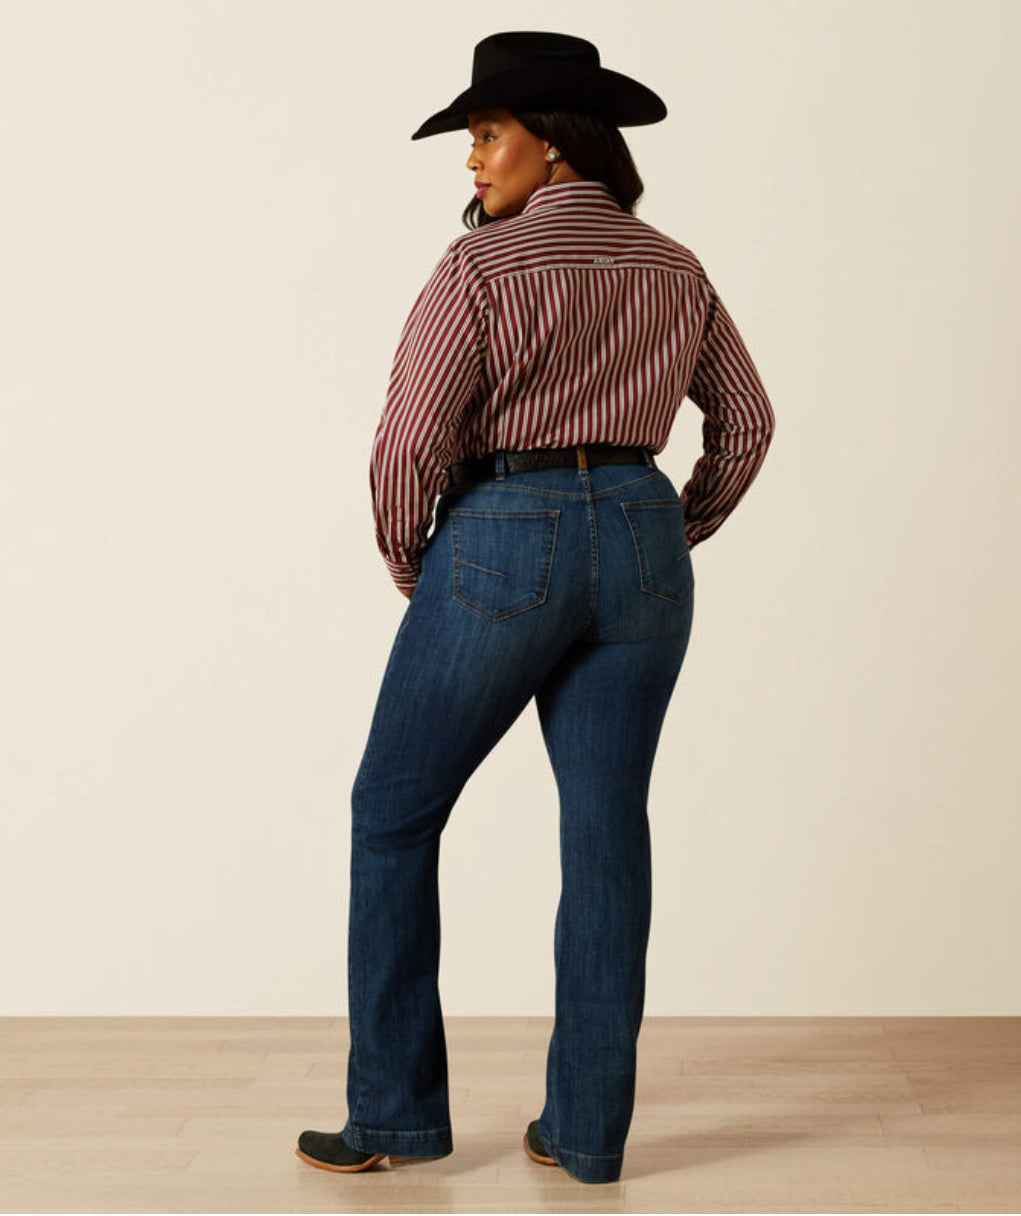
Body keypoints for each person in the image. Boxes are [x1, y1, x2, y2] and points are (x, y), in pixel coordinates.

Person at [296, 30, 775, 1186]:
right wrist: (670, 526)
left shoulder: (479, 267)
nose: (471, 159)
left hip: (502, 535)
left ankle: (393, 1115)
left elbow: (408, 443)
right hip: (642, 537)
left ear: (554, 143)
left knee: (391, 814)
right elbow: (748, 422)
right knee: (606, 827)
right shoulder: (674, 266)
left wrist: (418, 562)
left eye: (486, 133)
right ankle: (586, 1133)